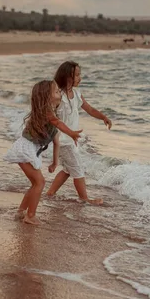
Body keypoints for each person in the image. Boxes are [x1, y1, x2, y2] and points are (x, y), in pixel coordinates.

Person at [4, 80, 82, 225]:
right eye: (56, 90)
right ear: (47, 96)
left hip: (30, 151)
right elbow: (58, 123)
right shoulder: (45, 112)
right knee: (39, 182)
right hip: (25, 149)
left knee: (35, 183)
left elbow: (56, 142)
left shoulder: (52, 117)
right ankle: (30, 216)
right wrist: (71, 133)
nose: (59, 92)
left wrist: (55, 162)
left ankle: (21, 212)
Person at [47, 60, 112, 205]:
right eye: (77, 75)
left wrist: (103, 117)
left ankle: (50, 193)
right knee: (77, 169)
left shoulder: (76, 93)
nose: (79, 78)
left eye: (79, 74)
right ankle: (85, 199)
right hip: (62, 140)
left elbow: (89, 109)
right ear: (67, 76)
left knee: (68, 169)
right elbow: (50, 116)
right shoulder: (58, 96)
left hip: (71, 139)